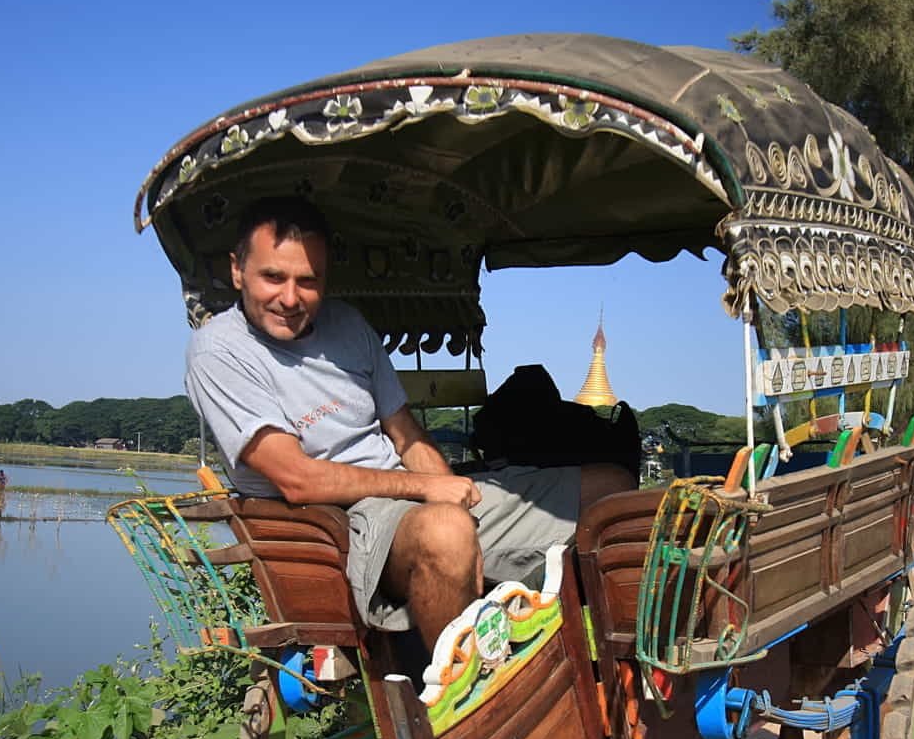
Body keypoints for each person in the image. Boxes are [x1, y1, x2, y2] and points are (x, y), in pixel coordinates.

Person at [184, 196, 635, 646]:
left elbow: (406, 437)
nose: (290, 298)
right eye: (273, 277)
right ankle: (461, 702)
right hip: (331, 523)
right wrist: (431, 497)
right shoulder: (221, 350)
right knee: (446, 533)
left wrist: (453, 499)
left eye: (308, 281)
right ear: (237, 270)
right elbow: (297, 479)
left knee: (610, 490)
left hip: (405, 503)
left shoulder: (346, 325)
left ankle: (604, 654)